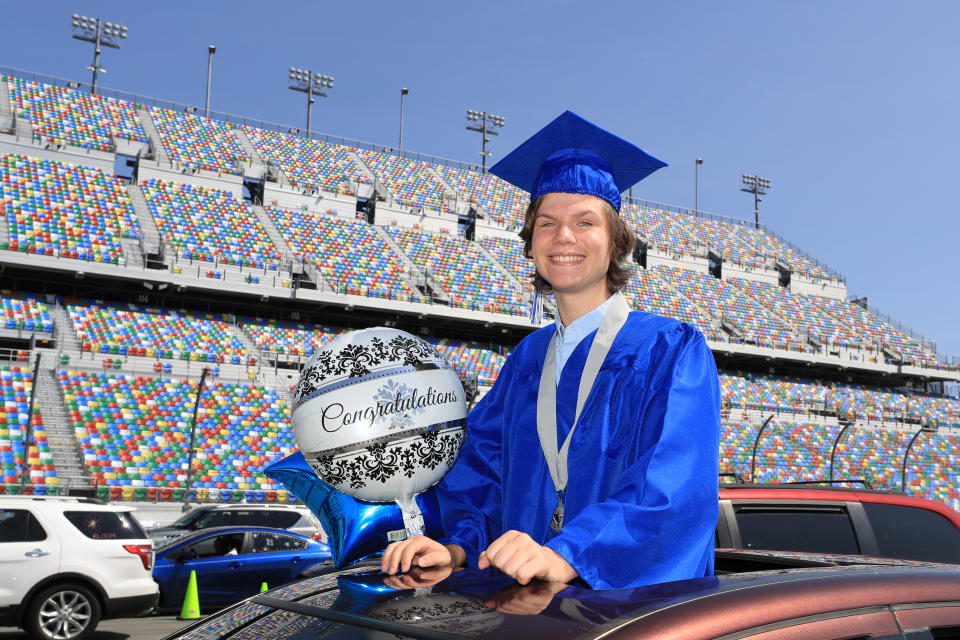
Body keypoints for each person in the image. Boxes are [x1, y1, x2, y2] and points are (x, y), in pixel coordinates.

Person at [381, 111, 720, 590]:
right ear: (531, 243)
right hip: (526, 611)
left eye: (585, 222)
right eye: (547, 223)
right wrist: (457, 547)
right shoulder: (527, 360)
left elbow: (672, 487)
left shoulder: (670, 349)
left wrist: (568, 554)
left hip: (626, 614)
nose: (564, 237)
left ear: (615, 242)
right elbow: (483, 468)